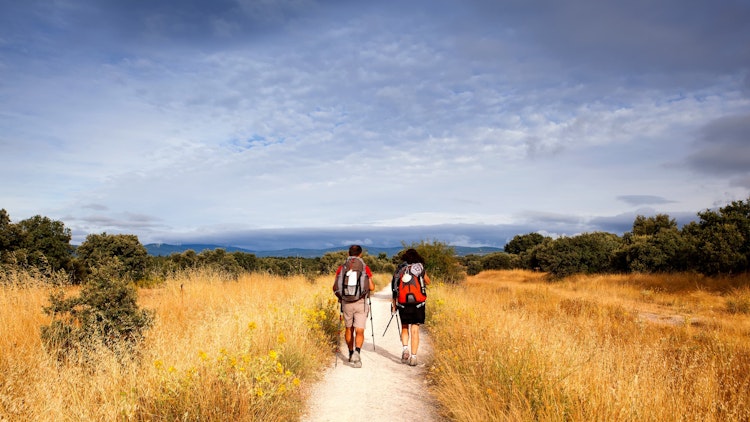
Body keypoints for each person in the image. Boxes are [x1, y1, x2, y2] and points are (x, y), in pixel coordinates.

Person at [333, 245, 375, 368]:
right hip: (360, 302)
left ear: (348, 253)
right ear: (360, 254)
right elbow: (372, 287)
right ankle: (357, 352)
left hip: (346, 303)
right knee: (359, 330)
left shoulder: (341, 268)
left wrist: (341, 298)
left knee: (348, 329)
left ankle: (351, 353)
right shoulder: (364, 268)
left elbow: (335, 288)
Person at [391, 248, 431, 366]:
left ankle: (405, 350)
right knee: (415, 329)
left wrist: (394, 306)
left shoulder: (400, 270)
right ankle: (413, 357)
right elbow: (428, 282)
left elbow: (394, 290)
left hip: (403, 303)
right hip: (418, 303)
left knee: (404, 327)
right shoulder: (419, 268)